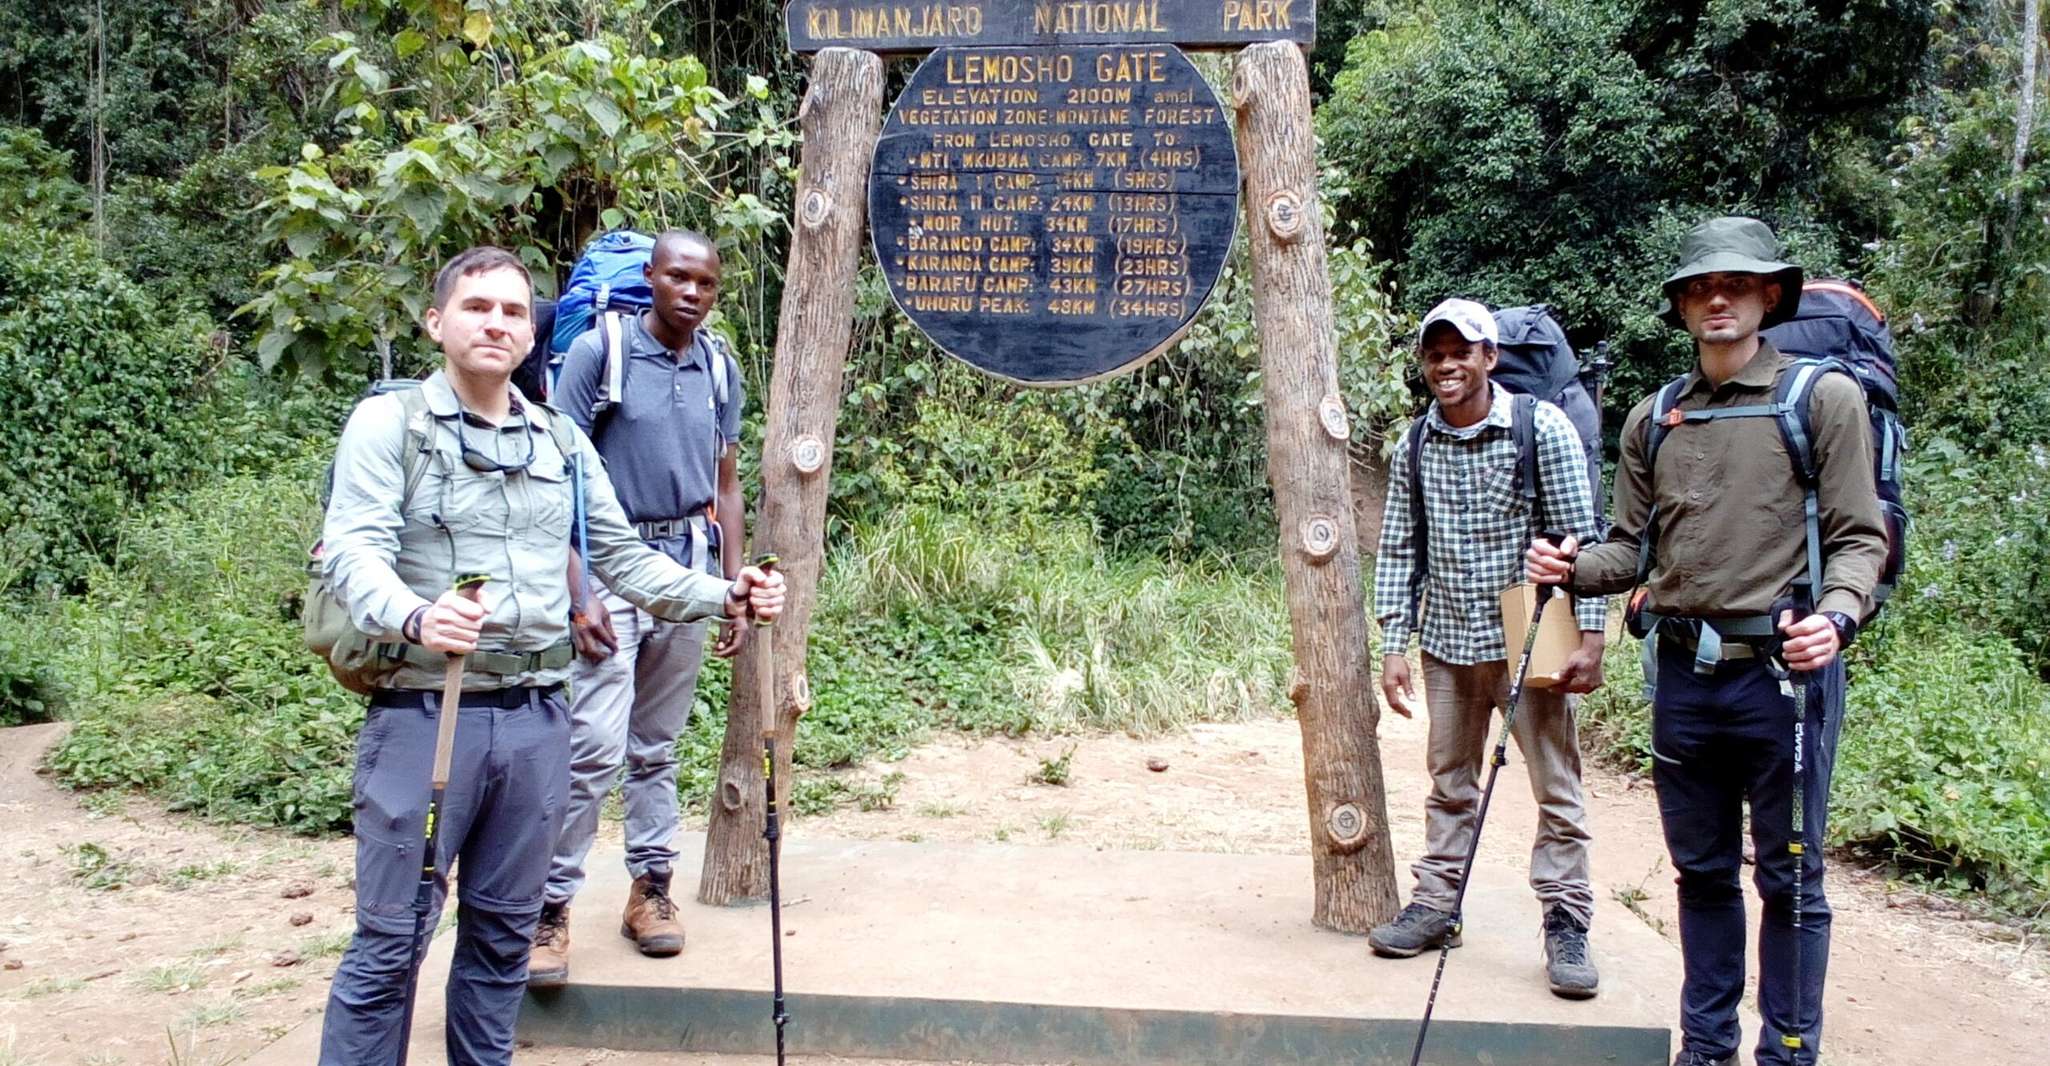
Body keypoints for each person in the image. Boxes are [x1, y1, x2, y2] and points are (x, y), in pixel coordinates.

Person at [316, 245, 785, 1066]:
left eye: (511, 311)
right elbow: (354, 550)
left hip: (537, 716)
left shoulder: (559, 440)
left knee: (503, 941)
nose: (496, 324)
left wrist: (726, 593)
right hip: (429, 711)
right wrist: (417, 616)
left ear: (531, 335)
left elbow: (624, 560)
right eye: (476, 307)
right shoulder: (391, 425)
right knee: (394, 940)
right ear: (436, 322)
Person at [1526, 217, 1887, 1066]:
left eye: (1735, 284)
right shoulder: (1655, 417)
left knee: (1790, 878)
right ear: (1682, 307)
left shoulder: (1822, 399)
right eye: (1699, 288)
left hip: (1782, 677)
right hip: (1685, 678)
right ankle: (1707, 1047)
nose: (1716, 299)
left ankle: (1787, 1054)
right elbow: (1629, 550)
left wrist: (1836, 618)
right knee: (1703, 873)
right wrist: (1570, 566)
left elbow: (1859, 538)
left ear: (1770, 296)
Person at [1368, 298, 1608, 999]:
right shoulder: (1416, 443)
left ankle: (1566, 921)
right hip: (1448, 635)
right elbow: (1400, 547)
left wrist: (1591, 637)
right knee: (1449, 780)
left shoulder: (1542, 428)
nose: (1447, 365)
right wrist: (1393, 644)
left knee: (1555, 785)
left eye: (1461, 352)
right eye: (1435, 354)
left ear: (1490, 357)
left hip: (1532, 631)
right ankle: (1437, 906)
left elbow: (1583, 541)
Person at [527, 231, 747, 984]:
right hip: (610, 571)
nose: (692, 293)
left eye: (706, 283)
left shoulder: (718, 364)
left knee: (657, 746)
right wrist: (578, 590)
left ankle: (651, 890)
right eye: (678, 277)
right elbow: (553, 479)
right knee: (592, 747)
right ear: (650, 276)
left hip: (686, 567)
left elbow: (726, 485)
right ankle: (549, 908)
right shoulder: (601, 352)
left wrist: (733, 588)